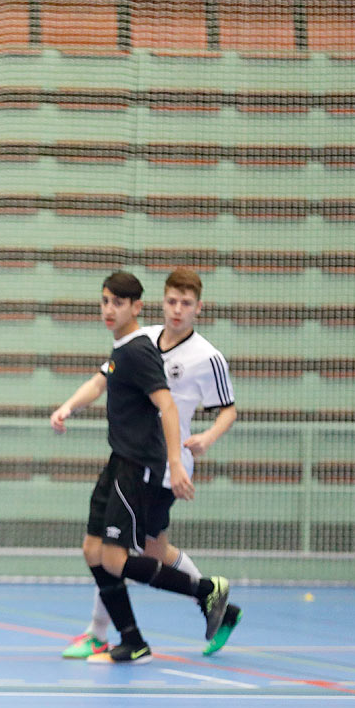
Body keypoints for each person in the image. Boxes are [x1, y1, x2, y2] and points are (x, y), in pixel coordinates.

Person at [48, 270, 239, 664]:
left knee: (121, 553)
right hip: (129, 458)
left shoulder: (201, 356)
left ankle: (196, 597)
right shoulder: (142, 341)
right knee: (133, 547)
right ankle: (133, 628)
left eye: (186, 303)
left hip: (158, 463)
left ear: (198, 308)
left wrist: (194, 447)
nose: (177, 309)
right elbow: (101, 382)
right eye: (172, 300)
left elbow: (196, 408)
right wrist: (68, 406)